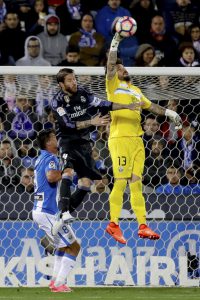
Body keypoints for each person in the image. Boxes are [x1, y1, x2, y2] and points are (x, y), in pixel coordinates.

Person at [105, 32, 183, 244]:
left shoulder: (136, 90)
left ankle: (142, 224)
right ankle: (113, 224)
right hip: (120, 138)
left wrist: (169, 113)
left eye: (123, 67)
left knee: (136, 184)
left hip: (137, 141)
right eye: (120, 68)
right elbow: (111, 65)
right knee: (120, 182)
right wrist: (116, 42)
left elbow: (151, 106)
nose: (123, 69)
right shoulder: (112, 86)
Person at [51, 67, 142, 235]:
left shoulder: (84, 93)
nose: (74, 82)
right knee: (68, 172)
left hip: (84, 143)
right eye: (70, 80)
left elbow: (103, 104)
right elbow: (68, 125)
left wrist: (127, 106)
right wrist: (92, 122)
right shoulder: (57, 101)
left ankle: (61, 214)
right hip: (67, 141)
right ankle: (64, 212)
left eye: (74, 78)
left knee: (86, 183)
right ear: (61, 84)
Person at [32, 129, 80, 293]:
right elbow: (51, 177)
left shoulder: (40, 158)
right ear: (48, 143)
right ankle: (59, 284)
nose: (57, 140)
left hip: (42, 210)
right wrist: (66, 172)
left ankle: (54, 282)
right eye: (54, 138)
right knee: (74, 247)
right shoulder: (51, 158)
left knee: (62, 246)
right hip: (47, 211)